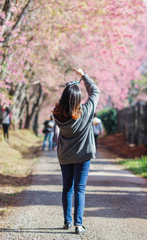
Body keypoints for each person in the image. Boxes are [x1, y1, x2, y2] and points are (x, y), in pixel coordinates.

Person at [53, 68, 100, 234]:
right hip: (82, 156)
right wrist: (83, 77)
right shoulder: (86, 112)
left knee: (67, 188)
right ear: (78, 98)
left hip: (65, 156)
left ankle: (67, 221)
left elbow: (63, 103)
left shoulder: (57, 115)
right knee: (79, 189)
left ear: (65, 97)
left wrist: (70, 87)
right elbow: (95, 91)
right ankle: (78, 225)